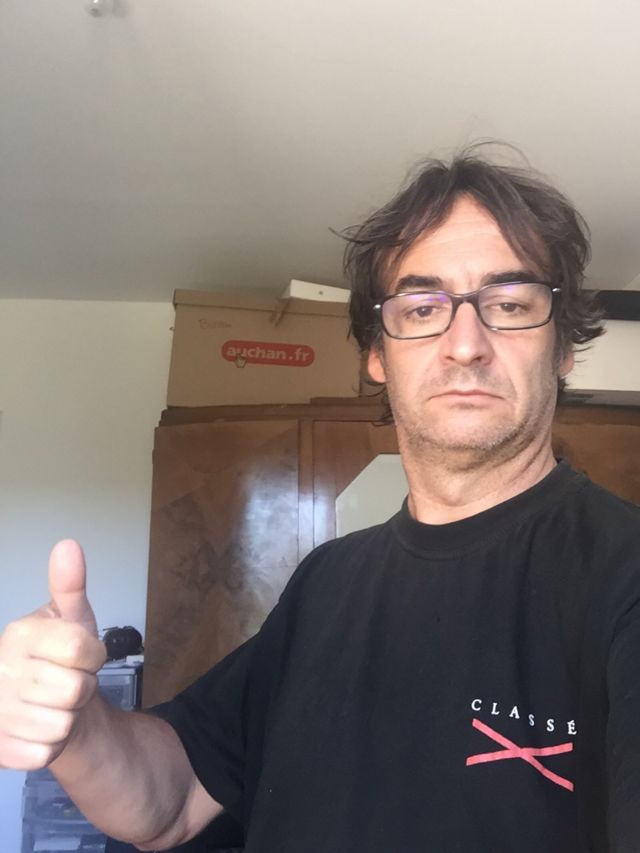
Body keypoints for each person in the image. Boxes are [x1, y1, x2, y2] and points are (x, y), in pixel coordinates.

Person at [1, 146, 639, 853]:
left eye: (509, 304)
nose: (466, 344)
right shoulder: (324, 582)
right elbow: (169, 802)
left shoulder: (624, 575)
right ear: (377, 354)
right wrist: (80, 726)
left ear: (562, 347)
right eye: (421, 307)